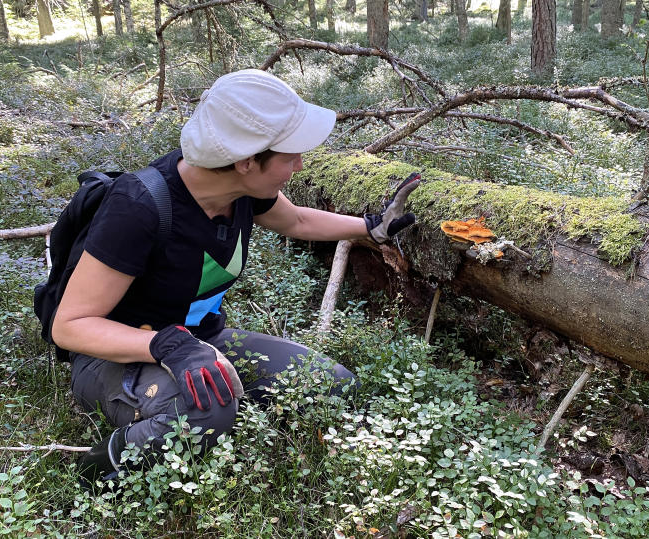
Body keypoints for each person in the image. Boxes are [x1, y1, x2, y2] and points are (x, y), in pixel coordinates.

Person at [51, 69, 420, 483]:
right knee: (206, 411)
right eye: (289, 156)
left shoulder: (244, 191)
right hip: (115, 354)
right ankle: (97, 474)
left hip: (198, 340)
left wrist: (371, 227)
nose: (299, 166)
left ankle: (225, 407)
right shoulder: (138, 208)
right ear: (246, 161)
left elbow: (297, 220)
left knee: (332, 384)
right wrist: (167, 345)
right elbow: (70, 327)